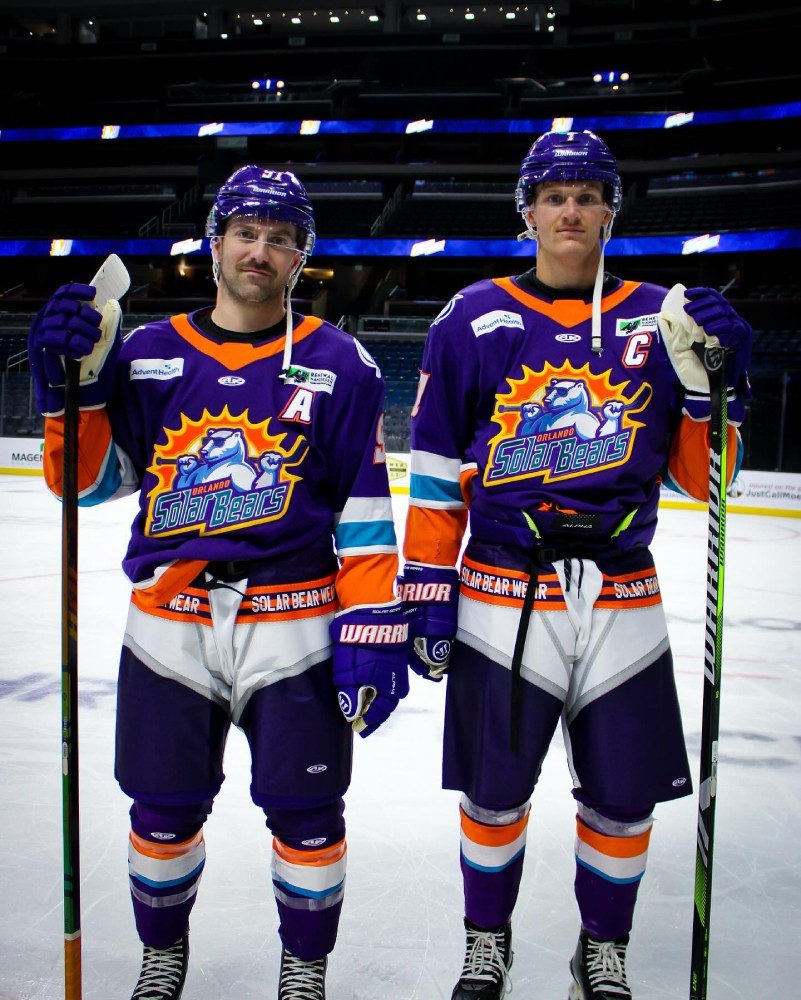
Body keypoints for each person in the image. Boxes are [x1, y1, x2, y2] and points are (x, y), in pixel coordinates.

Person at [28, 167, 409, 1000]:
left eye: (279, 239)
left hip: (296, 619)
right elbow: (89, 486)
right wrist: (66, 398)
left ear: (301, 256)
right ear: (215, 244)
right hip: (170, 619)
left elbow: (364, 513)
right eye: (245, 233)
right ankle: (163, 955)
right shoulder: (146, 354)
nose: (259, 251)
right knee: (162, 810)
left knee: (307, 813)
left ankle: (303, 969)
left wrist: (373, 624)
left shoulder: (341, 362)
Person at [398, 130, 752, 999]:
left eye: (587, 196)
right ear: (526, 211)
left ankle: (603, 948)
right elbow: (435, 469)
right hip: (500, 586)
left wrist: (722, 392)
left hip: (621, 586)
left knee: (623, 796)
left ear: (608, 212)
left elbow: (705, 478)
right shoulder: (471, 316)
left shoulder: (663, 316)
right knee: (492, 793)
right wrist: (428, 586)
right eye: (553, 196)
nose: (569, 211)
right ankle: (486, 943)